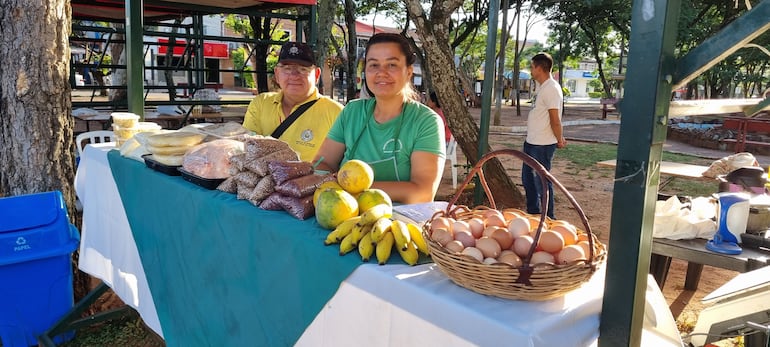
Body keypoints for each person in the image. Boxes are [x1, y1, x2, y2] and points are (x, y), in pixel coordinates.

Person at [313, 33, 445, 204]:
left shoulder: (425, 122)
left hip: (398, 222)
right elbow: (322, 164)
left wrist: (354, 190)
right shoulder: (352, 112)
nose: (381, 73)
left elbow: (422, 192)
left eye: (392, 65)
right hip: (342, 213)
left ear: (409, 72)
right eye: (374, 65)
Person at [243, 42, 343, 162]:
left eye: (303, 69)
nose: (294, 75)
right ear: (277, 74)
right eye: (287, 69)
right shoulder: (260, 104)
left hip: (313, 181)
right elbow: (246, 148)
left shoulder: (336, 113)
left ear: (316, 75)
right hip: (263, 179)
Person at [522, 52, 566, 219]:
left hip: (542, 144)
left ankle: (549, 218)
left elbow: (555, 119)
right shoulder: (542, 87)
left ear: (539, 68)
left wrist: (559, 139)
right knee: (528, 180)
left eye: (532, 67)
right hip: (532, 142)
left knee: (542, 182)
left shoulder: (552, 89)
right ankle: (533, 214)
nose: (531, 71)